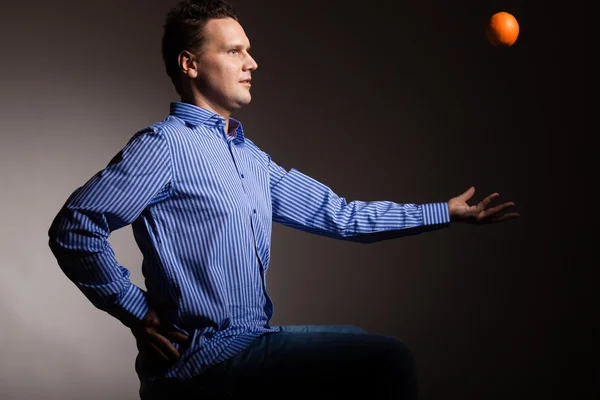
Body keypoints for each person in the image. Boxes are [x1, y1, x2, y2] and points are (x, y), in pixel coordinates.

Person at [47, 0, 520, 398]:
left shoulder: (252, 160)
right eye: (235, 51)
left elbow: (341, 216)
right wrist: (137, 311)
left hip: (254, 344)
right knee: (388, 359)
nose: (252, 63)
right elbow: (75, 227)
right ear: (190, 64)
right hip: (206, 363)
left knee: (358, 344)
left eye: (249, 51)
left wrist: (446, 212)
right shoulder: (164, 146)